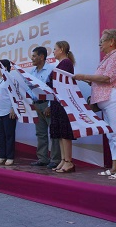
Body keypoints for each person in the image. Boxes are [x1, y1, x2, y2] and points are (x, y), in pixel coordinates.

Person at [73, 29, 116, 178]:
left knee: (115, 134)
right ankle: (113, 168)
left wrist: (84, 75)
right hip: (104, 101)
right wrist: (82, 78)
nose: (100, 45)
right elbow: (99, 79)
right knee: (111, 135)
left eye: (102, 42)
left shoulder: (115, 56)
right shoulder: (106, 58)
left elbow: (107, 78)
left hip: (112, 99)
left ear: (111, 42)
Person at [29, 47, 61, 169]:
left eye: (34, 56)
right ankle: (42, 158)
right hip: (37, 105)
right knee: (40, 133)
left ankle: (55, 159)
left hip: (48, 104)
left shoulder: (51, 69)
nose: (32, 58)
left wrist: (49, 105)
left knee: (53, 133)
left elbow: (54, 89)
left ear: (41, 57)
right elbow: (29, 88)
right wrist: (32, 102)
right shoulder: (32, 72)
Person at [49, 41, 76, 173]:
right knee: (59, 132)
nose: (53, 51)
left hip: (63, 101)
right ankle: (63, 159)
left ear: (61, 49)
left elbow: (61, 82)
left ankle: (68, 161)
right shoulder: (60, 64)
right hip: (56, 101)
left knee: (65, 132)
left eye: (54, 49)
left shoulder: (66, 63)